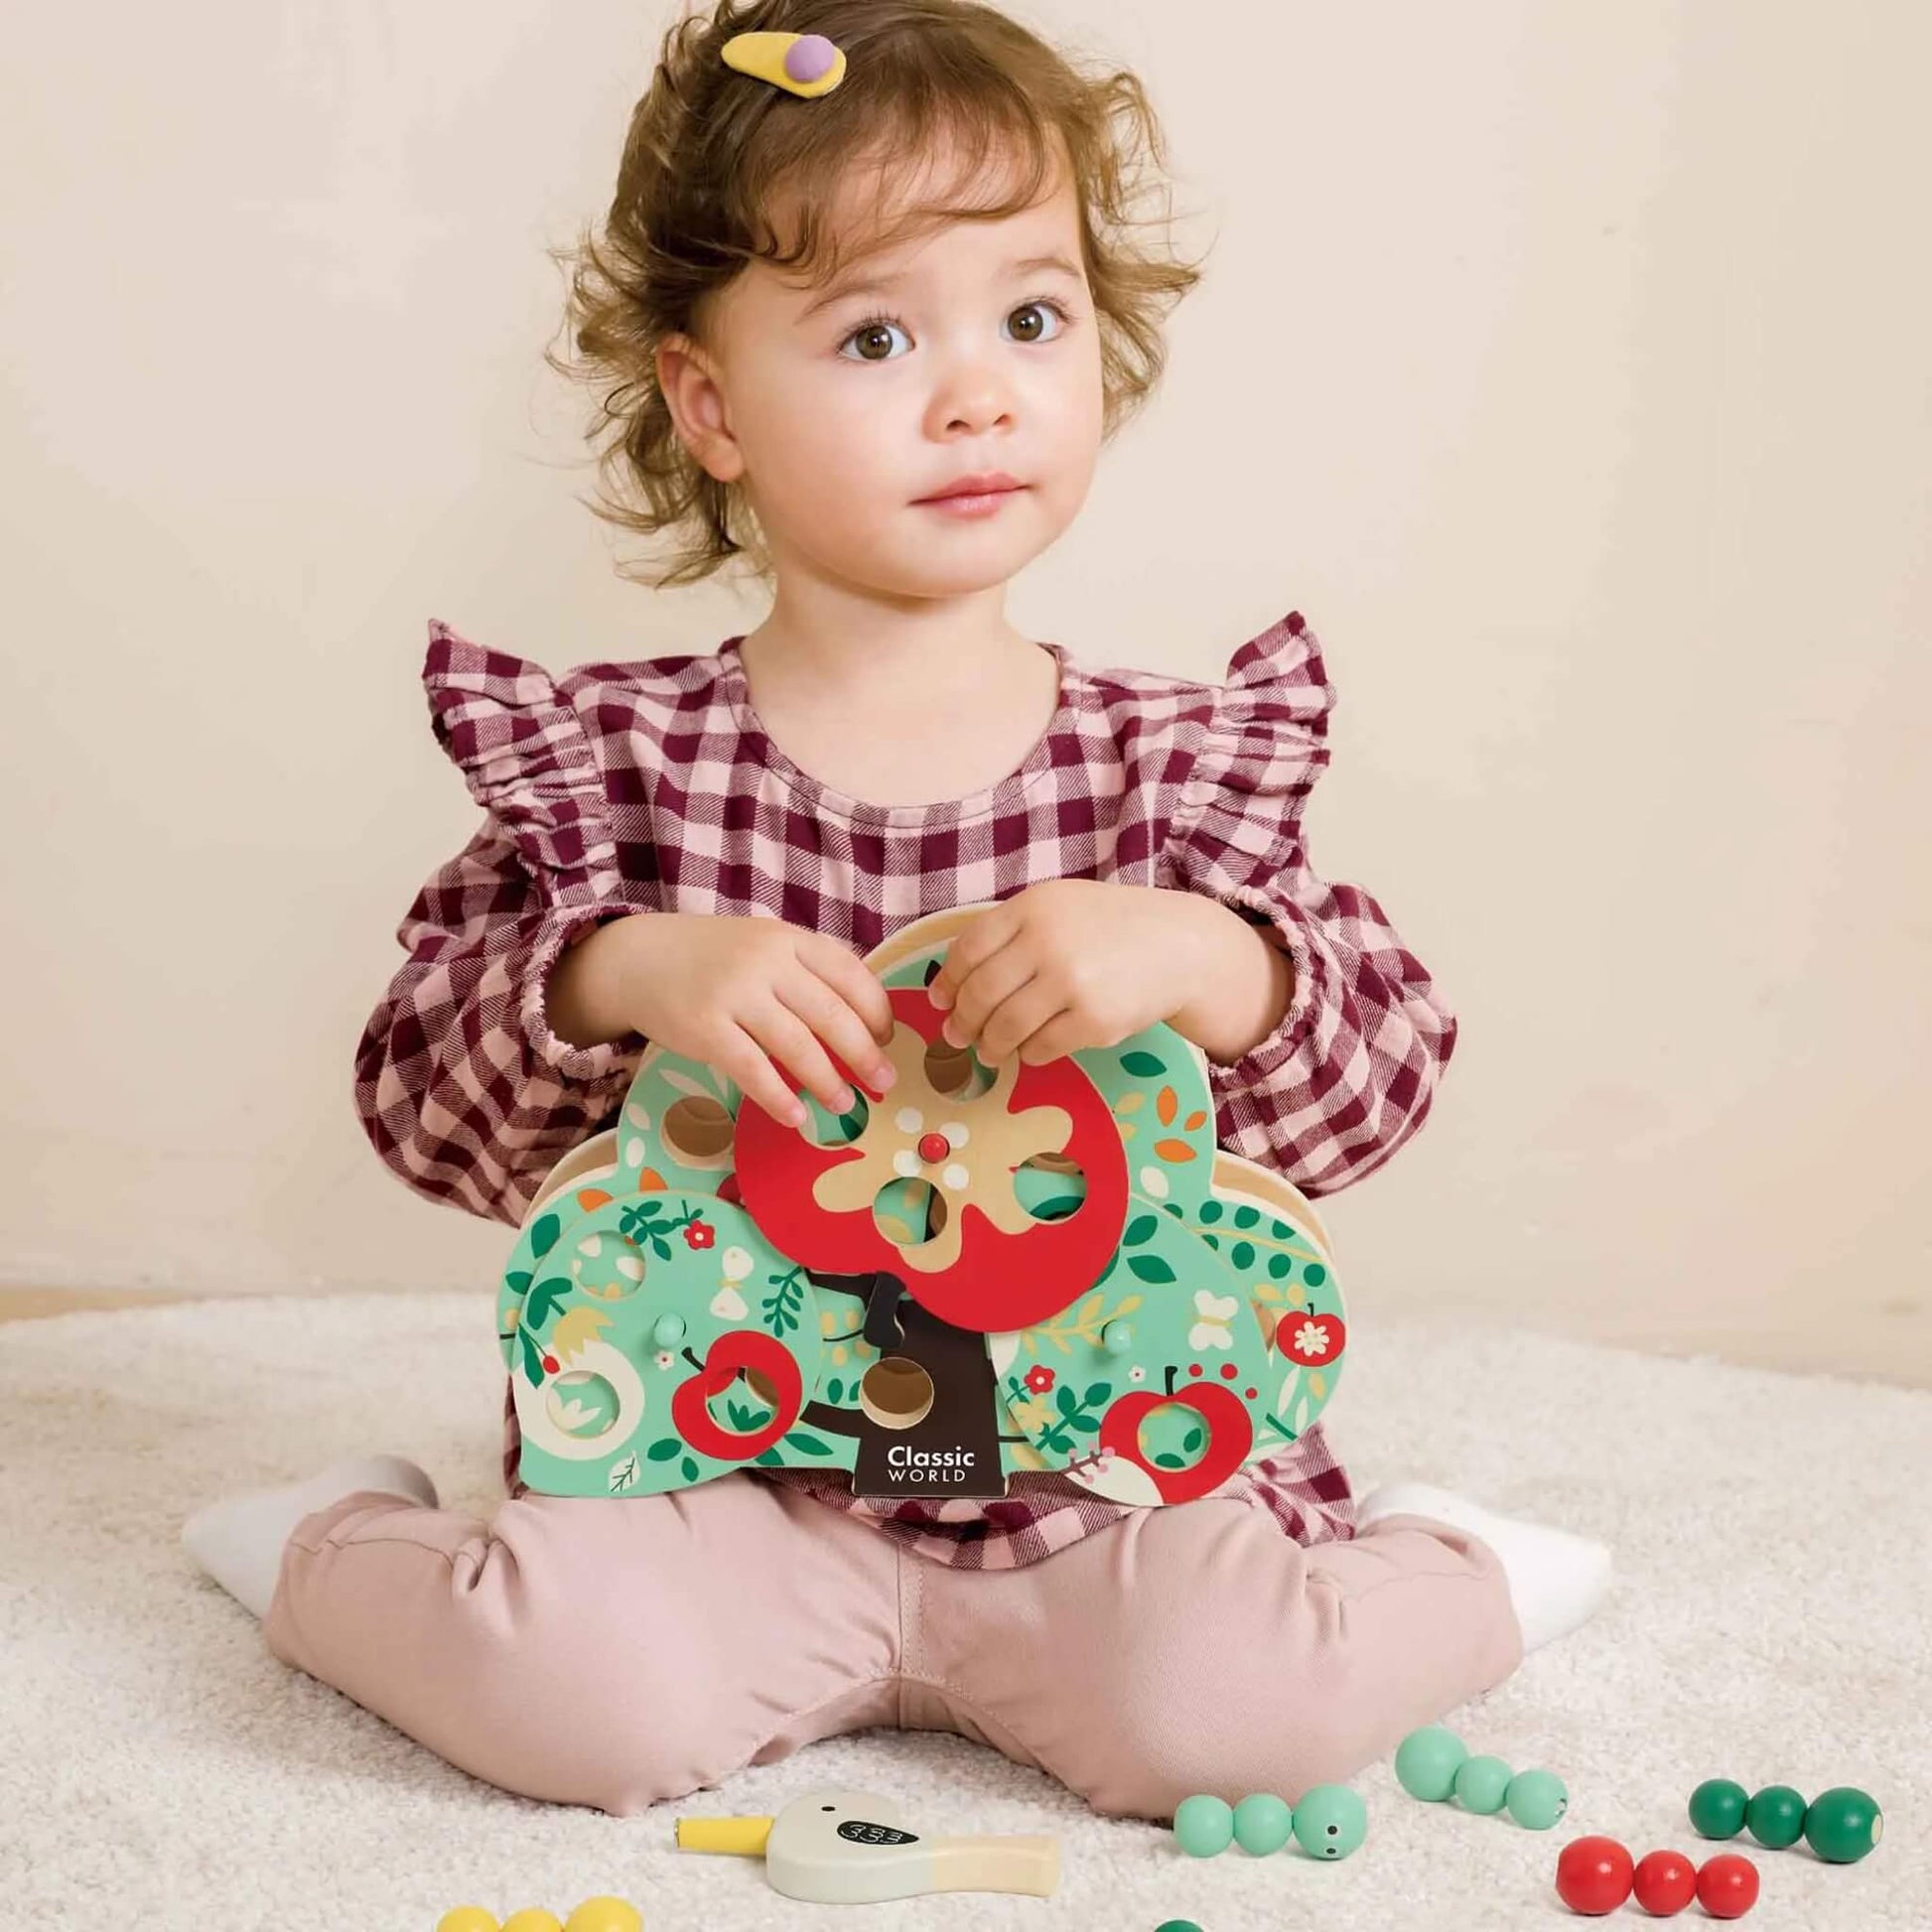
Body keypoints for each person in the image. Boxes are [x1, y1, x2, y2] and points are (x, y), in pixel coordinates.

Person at [182, 0, 1609, 1821]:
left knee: (1233, 1715)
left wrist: (1212, 963)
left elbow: (1379, 1090)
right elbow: (423, 1113)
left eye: (1032, 316)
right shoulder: (617, 767)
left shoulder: (1170, 772)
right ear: (708, 407)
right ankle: (333, 1544)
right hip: (727, 1489)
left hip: (1094, 1487)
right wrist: (619, 972)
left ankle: (1450, 1567)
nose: (976, 392)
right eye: (873, 334)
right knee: (577, 1701)